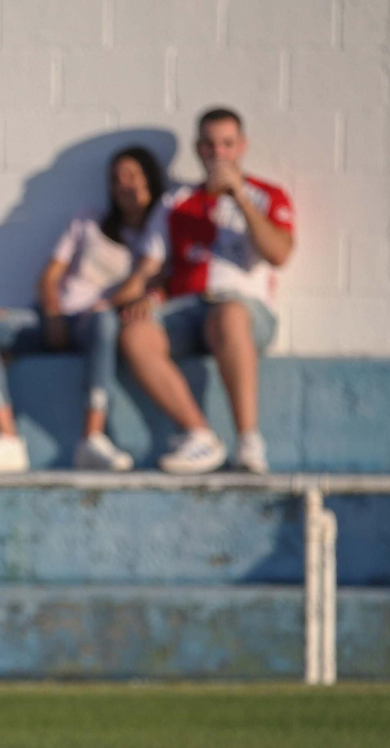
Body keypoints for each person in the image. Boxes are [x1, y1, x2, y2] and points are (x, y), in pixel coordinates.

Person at [0, 146, 167, 475]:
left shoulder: (158, 234)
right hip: (54, 318)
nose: (122, 185)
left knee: (103, 321)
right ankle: (6, 437)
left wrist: (108, 306)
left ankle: (93, 438)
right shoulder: (88, 220)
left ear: (151, 179)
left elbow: (145, 282)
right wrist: (53, 311)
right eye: (115, 179)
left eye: (131, 176)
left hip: (96, 325)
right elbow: (48, 277)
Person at [117, 108, 294, 475]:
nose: (219, 153)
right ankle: (199, 436)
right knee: (135, 333)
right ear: (198, 148)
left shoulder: (267, 196)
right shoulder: (175, 201)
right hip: (185, 310)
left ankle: (248, 441)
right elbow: (150, 268)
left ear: (241, 146)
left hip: (243, 311)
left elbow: (279, 254)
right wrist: (135, 297)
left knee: (228, 315)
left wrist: (239, 196)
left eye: (227, 144)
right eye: (210, 145)